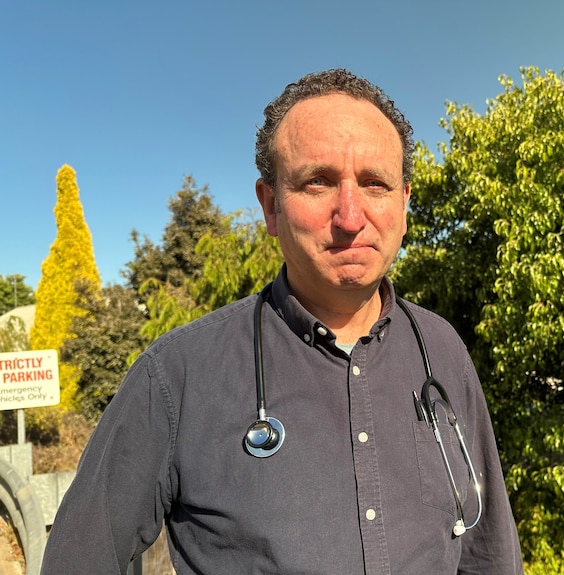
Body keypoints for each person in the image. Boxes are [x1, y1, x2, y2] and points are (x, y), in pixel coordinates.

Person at [41, 68, 524, 574]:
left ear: (403, 204)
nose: (351, 216)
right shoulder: (177, 377)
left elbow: (489, 552)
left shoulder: (441, 349)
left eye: (375, 183)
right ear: (271, 206)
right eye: (317, 182)